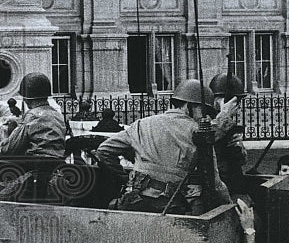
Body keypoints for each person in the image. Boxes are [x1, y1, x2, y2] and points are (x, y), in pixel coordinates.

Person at [95, 78, 230, 214]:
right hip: (169, 206)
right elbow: (215, 183)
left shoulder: (142, 124)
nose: (204, 117)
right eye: (204, 110)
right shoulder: (198, 133)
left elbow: (103, 151)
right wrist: (229, 206)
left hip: (132, 201)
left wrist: (125, 177)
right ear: (190, 106)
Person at [0, 73, 67, 200]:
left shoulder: (31, 115)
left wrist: (3, 139)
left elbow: (10, 149)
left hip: (35, 173)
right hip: (57, 170)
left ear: (27, 99)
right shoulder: (56, 114)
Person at [208, 73, 248, 197]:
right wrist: (224, 114)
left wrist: (238, 147)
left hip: (232, 179)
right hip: (213, 182)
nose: (234, 107)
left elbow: (242, 160)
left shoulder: (227, 121)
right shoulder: (205, 119)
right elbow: (208, 138)